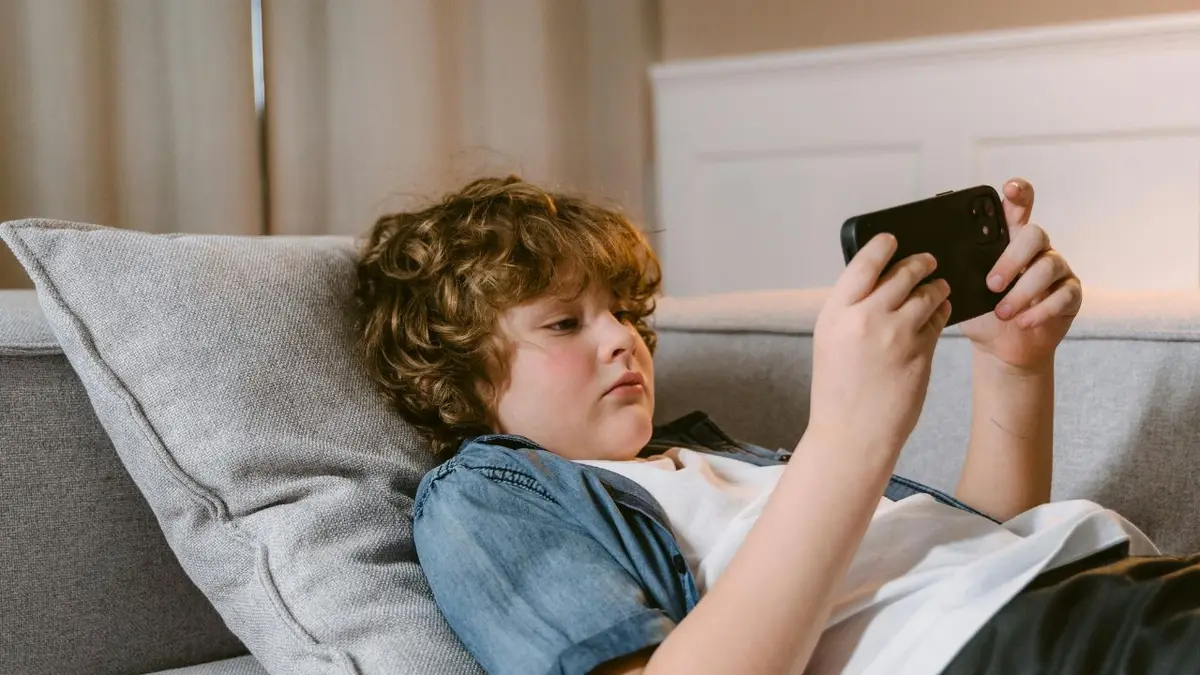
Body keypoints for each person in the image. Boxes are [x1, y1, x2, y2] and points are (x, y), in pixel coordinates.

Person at [353, 175, 1192, 675]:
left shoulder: (711, 455)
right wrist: (849, 437)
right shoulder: (481, 496)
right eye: (565, 324)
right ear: (456, 378)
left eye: (624, 312)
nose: (623, 339)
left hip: (1091, 582)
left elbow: (973, 546)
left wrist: (1015, 366)